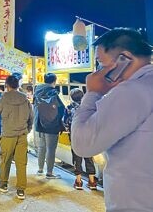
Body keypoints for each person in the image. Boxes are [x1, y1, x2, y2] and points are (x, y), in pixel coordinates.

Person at [71, 28, 153, 212]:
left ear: (124, 58)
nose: (98, 71)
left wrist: (92, 93)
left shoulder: (131, 91)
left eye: (100, 63)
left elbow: (82, 144)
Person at [0, 75, 33, 200]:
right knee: (21, 162)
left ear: (7, 85)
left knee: (5, 160)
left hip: (8, 134)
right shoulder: (25, 98)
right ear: (18, 85)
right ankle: (21, 190)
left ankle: (3, 184)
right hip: (22, 135)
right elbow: (31, 117)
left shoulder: (4, 97)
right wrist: (27, 130)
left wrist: (2, 95)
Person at [63, 88, 97, 190]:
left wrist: (69, 129)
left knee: (77, 158)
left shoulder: (69, 108)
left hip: (75, 136)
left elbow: (65, 121)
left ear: (72, 97)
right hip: (87, 136)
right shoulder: (89, 107)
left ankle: (78, 182)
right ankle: (92, 182)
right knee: (89, 157)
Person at [33, 73, 65, 179]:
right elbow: (61, 108)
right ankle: (49, 172)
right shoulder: (53, 92)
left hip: (39, 123)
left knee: (41, 147)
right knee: (51, 149)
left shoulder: (37, 91)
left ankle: (40, 169)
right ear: (54, 81)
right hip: (52, 125)